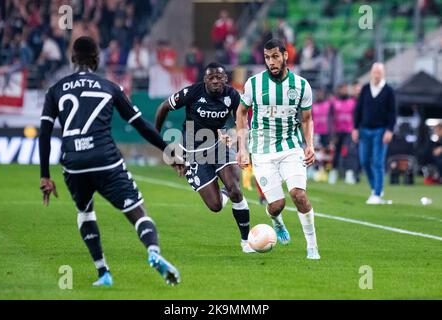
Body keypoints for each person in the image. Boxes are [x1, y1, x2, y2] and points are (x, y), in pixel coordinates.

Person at [38, 36, 182, 287]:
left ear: (73, 59)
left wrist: (44, 175)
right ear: (97, 59)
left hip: (73, 162)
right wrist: (168, 150)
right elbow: (141, 126)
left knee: (85, 212)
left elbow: (44, 134)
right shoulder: (110, 87)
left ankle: (103, 273)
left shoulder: (56, 90)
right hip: (105, 159)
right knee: (137, 211)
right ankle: (153, 252)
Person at [155, 62, 255, 254]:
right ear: (205, 80)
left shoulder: (232, 95)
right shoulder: (192, 92)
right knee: (216, 206)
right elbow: (163, 107)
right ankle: (224, 192)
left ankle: (246, 242)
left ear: (226, 79)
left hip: (218, 146)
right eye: (211, 77)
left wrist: (240, 145)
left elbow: (242, 122)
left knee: (236, 190)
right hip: (193, 154)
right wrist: (157, 138)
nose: (216, 81)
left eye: (219, 77)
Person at [236, 38, 320, 260]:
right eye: (266, 57)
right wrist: (242, 148)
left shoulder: (301, 85)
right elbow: (241, 112)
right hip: (262, 151)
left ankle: (312, 247)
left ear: (285, 56)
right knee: (276, 205)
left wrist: (309, 145)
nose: (270, 62)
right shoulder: (254, 84)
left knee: (298, 195)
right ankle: (276, 220)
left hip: (291, 147)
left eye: (274, 56)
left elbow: (307, 118)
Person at [352, 62, 396, 204]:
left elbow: (393, 112)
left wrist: (390, 130)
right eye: (375, 71)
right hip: (364, 130)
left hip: (381, 130)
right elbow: (358, 109)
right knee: (364, 161)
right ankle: (375, 188)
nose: (377, 74)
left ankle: (377, 193)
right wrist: (355, 128)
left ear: (383, 73)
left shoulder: (389, 90)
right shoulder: (365, 89)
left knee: (377, 162)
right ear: (371, 72)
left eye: (379, 71)